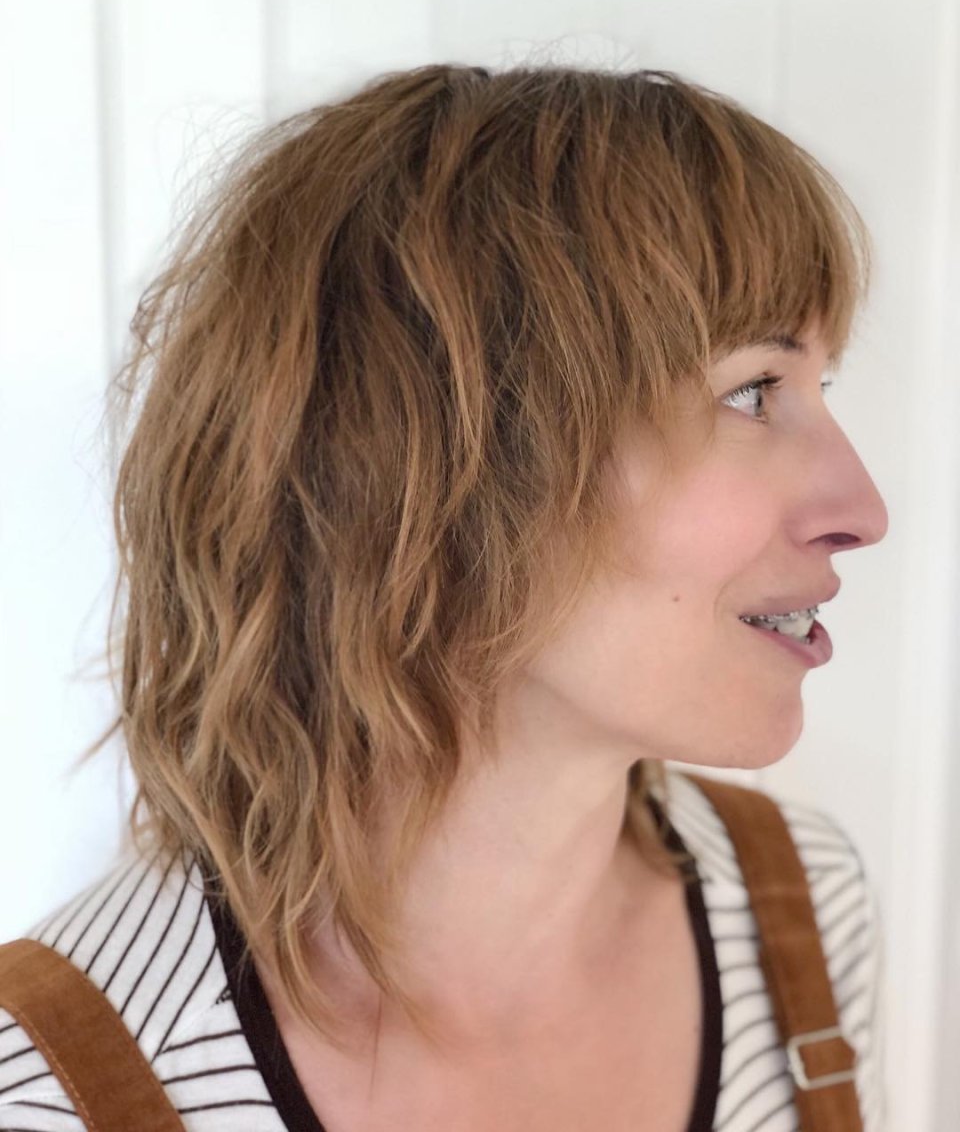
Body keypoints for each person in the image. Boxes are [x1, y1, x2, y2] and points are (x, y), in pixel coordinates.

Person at [0, 63, 888, 1131]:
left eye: (820, 388)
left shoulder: (801, 912)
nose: (863, 509)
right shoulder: (50, 1088)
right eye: (752, 391)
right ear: (433, 469)